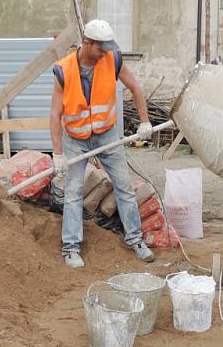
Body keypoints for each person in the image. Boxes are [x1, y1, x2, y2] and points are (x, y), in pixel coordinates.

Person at [50, 19, 155, 269]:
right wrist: (57, 153)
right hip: (76, 139)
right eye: (100, 48)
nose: (105, 53)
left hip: (107, 135)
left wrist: (145, 122)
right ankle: (71, 247)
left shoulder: (113, 59)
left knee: (124, 186)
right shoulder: (63, 70)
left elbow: (135, 88)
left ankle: (135, 240)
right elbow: (55, 114)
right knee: (73, 192)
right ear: (87, 43)